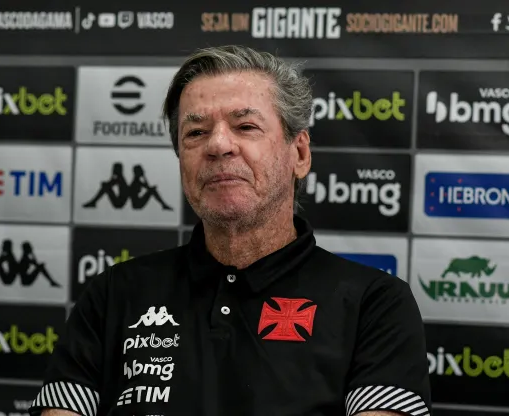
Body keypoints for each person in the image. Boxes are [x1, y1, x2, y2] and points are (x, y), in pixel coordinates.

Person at [28, 45, 431, 416]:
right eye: (196, 132)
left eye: (246, 126)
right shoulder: (113, 294)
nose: (218, 145)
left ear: (300, 153)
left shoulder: (374, 306)